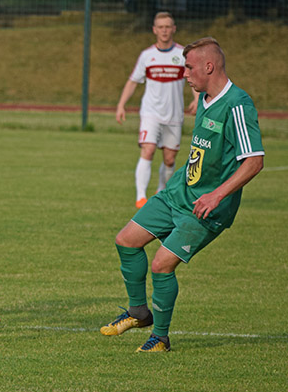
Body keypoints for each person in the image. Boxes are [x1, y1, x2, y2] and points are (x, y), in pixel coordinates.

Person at [101, 37, 264, 352]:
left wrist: (216, 195)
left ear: (208, 66)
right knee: (126, 240)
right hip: (177, 193)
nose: (184, 73)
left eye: (189, 67)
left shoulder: (237, 105)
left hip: (206, 208)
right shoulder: (204, 99)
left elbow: (254, 161)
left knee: (161, 264)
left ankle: (160, 338)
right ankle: (138, 312)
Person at [116, 11, 199, 209]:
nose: (164, 30)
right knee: (148, 149)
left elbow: (194, 79)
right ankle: (140, 197)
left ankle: (161, 190)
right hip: (150, 113)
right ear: (154, 30)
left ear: (174, 29)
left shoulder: (181, 55)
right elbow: (133, 81)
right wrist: (121, 105)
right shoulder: (147, 56)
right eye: (160, 27)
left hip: (174, 114)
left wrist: (196, 99)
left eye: (168, 26)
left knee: (170, 158)